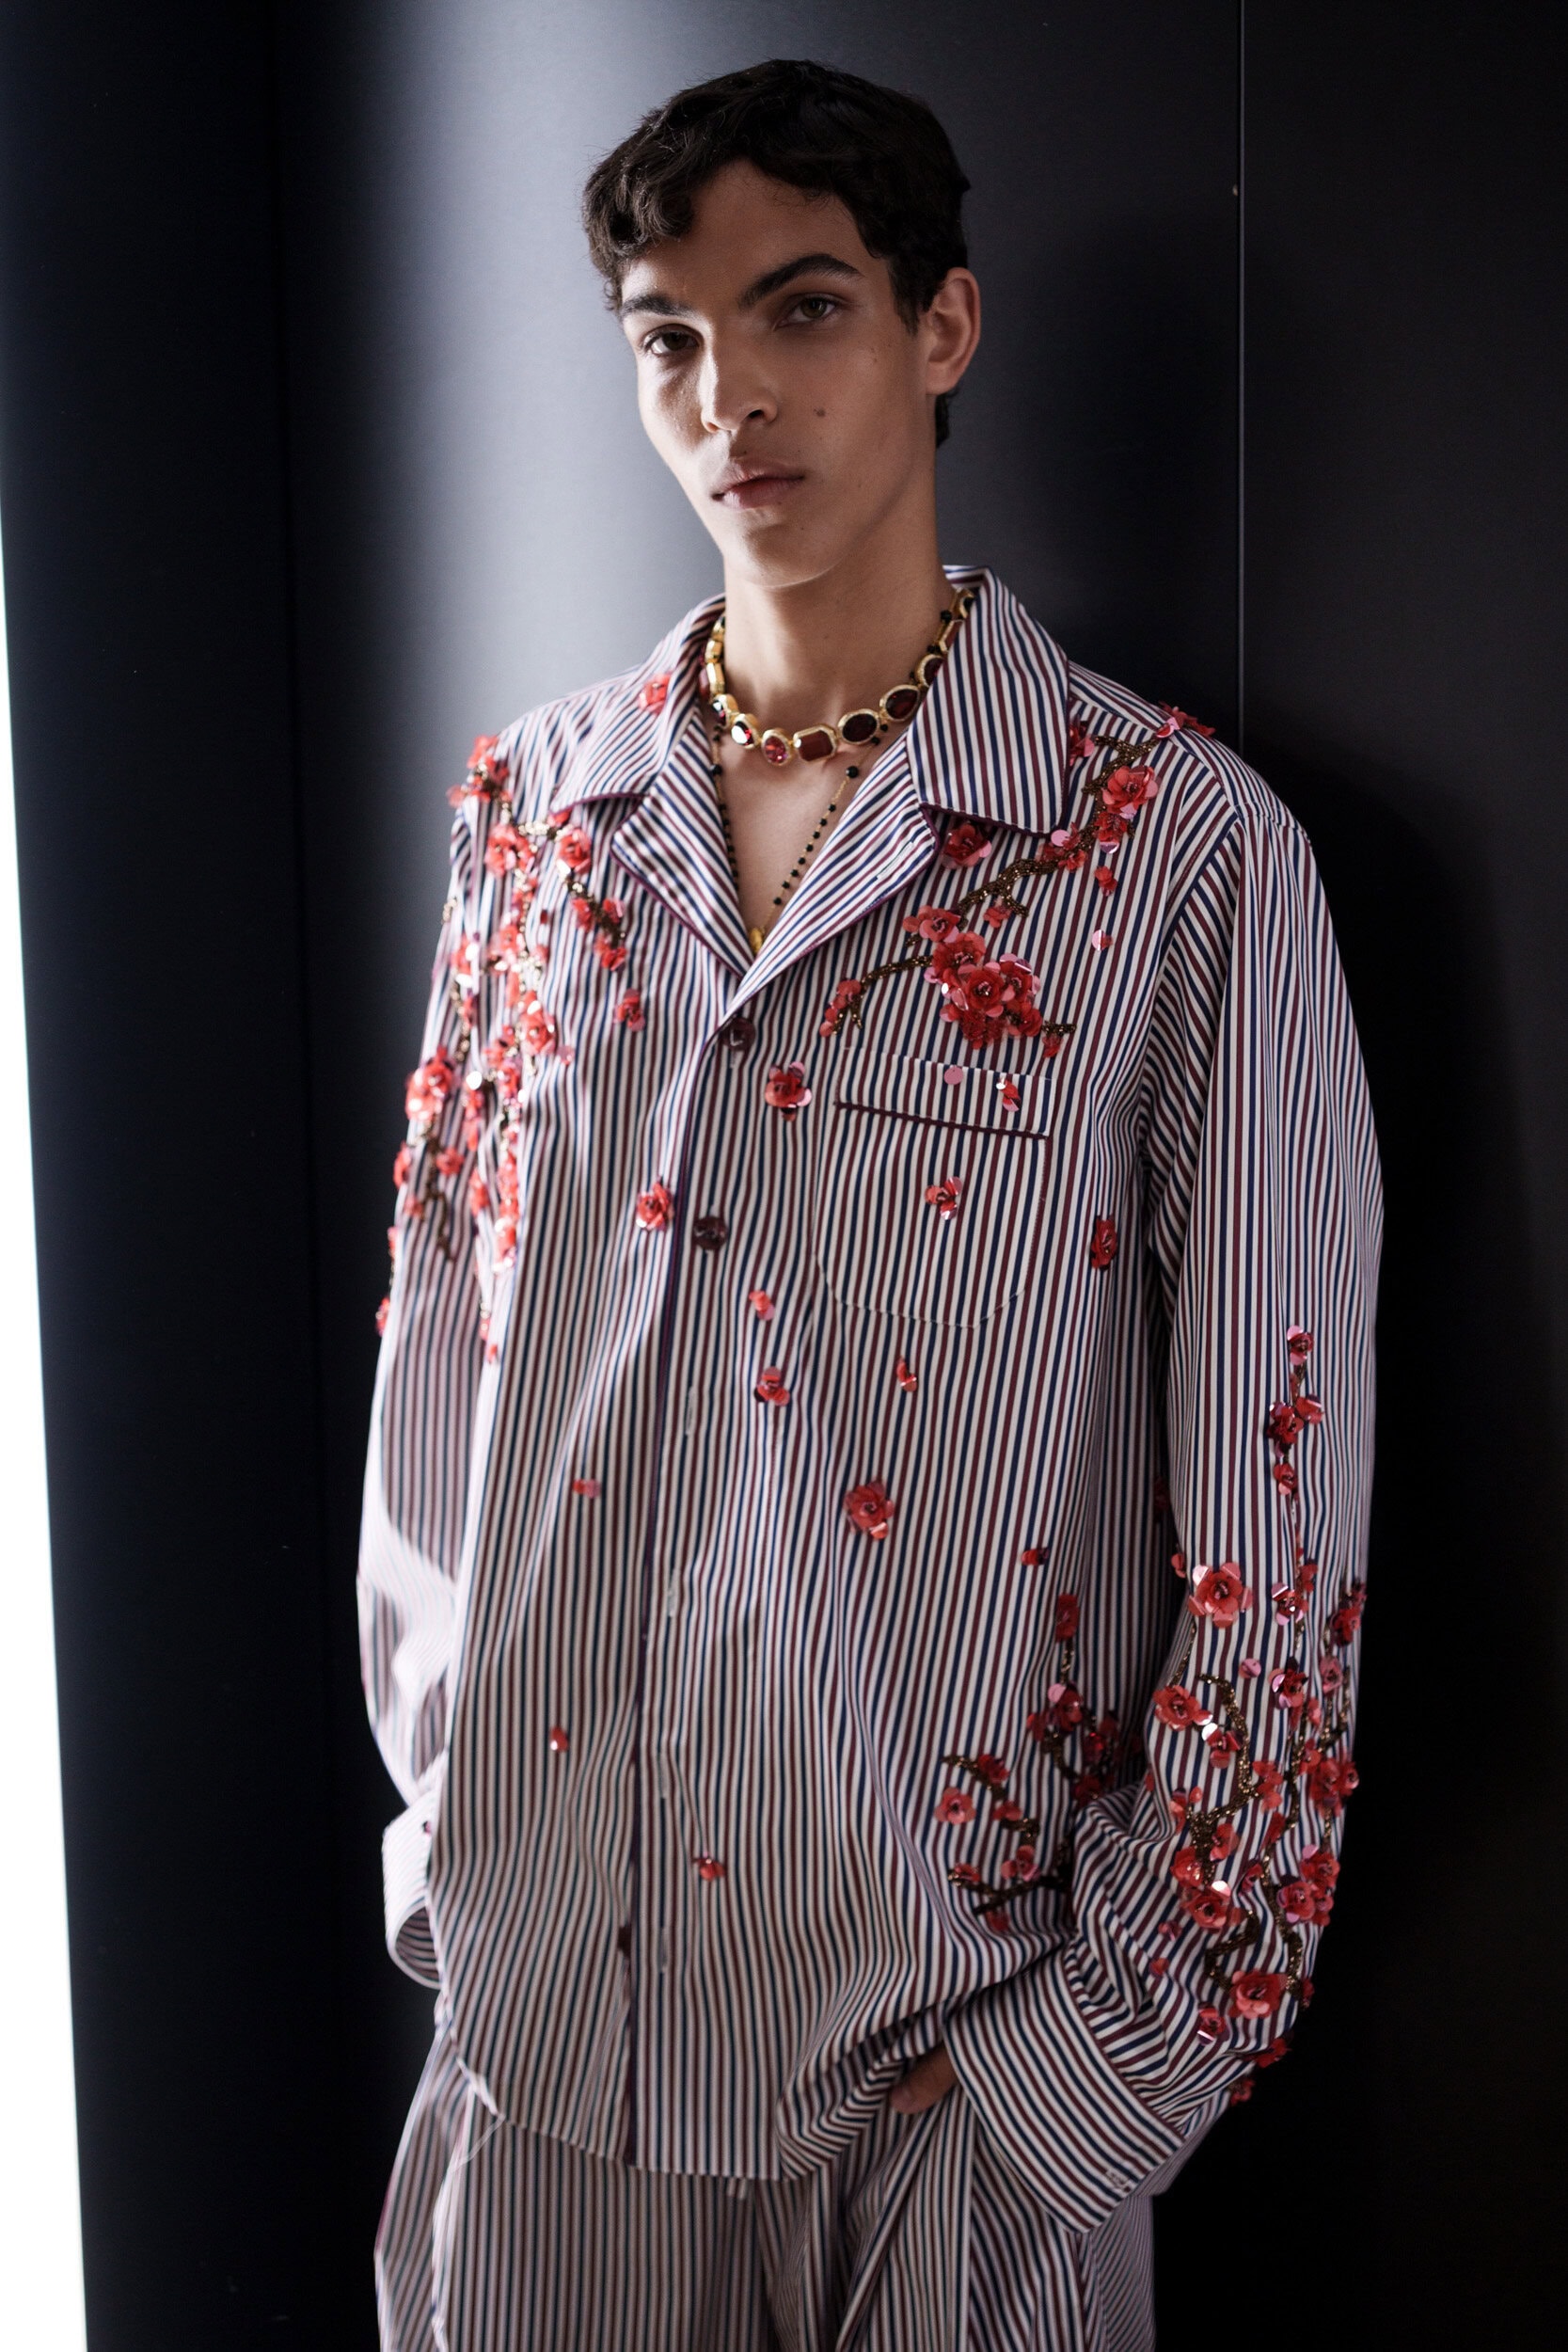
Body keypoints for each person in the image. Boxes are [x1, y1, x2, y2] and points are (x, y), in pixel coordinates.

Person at [362, 56, 1380, 2352]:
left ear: (942, 323)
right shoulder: (531, 825)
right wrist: (453, 1860)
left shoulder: (1178, 865)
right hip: (541, 2091)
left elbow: (1281, 1510)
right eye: (670, 336)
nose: (732, 398)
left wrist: (1091, 2066)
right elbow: (439, 1361)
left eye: (801, 308)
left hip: (953, 2116)